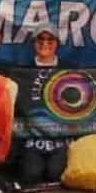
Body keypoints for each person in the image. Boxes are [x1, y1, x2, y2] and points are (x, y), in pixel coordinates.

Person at [17, 24, 74, 184]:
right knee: (31, 176)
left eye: (50, 39)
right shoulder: (22, 71)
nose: (45, 43)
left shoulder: (70, 69)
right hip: (33, 137)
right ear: (34, 43)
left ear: (57, 43)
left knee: (55, 175)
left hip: (61, 136)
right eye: (40, 39)